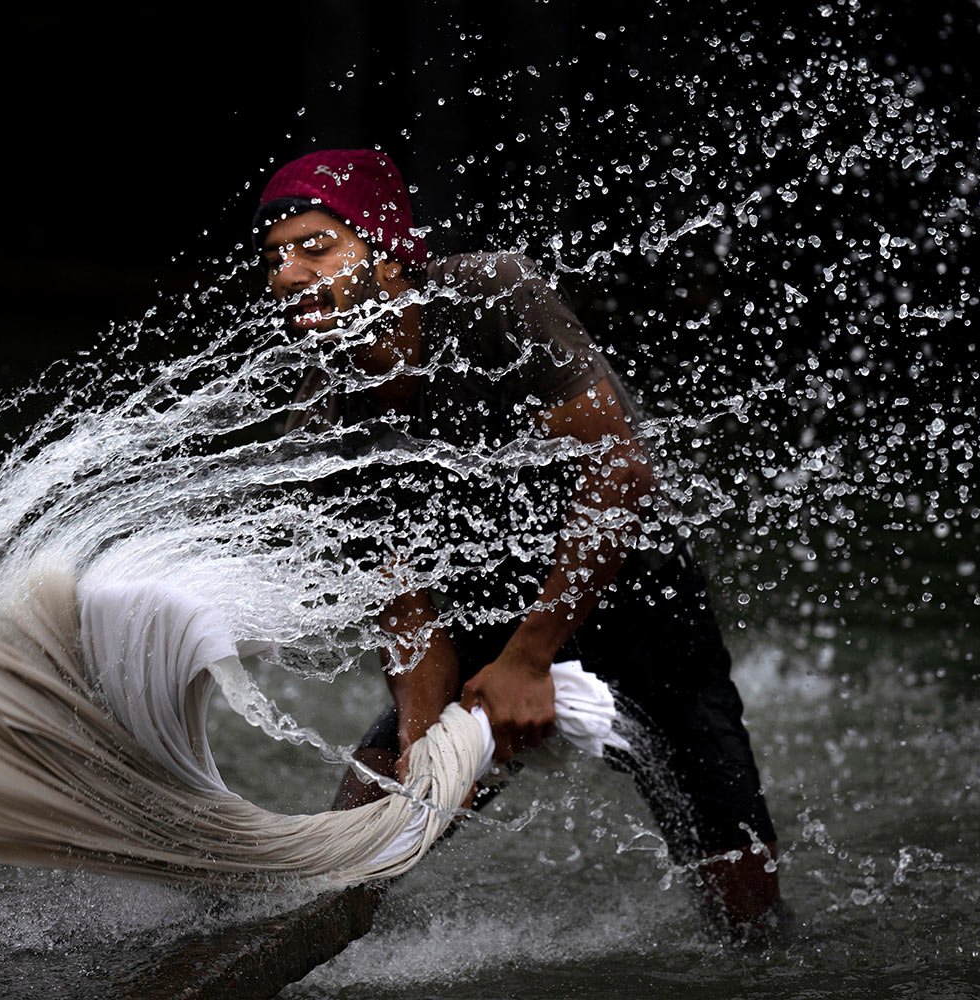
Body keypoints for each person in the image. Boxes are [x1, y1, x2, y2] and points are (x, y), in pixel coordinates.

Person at [251, 148, 783, 937]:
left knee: (743, 906)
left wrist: (531, 657)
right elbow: (408, 614)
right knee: (360, 837)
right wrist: (425, 747)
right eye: (274, 258)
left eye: (317, 247)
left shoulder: (489, 297)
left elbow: (621, 469)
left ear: (392, 259)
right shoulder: (324, 418)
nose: (288, 275)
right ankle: (283, 951)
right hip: (479, 629)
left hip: (631, 599)